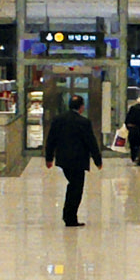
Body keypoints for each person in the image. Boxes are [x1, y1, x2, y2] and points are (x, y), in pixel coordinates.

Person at [43, 95, 103, 227]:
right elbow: (91, 142)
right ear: (81, 107)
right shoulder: (84, 122)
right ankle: (69, 217)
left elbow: (51, 139)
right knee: (76, 188)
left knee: (73, 186)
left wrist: (49, 158)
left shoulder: (58, 120)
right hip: (78, 161)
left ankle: (68, 215)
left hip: (64, 160)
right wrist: (97, 160)